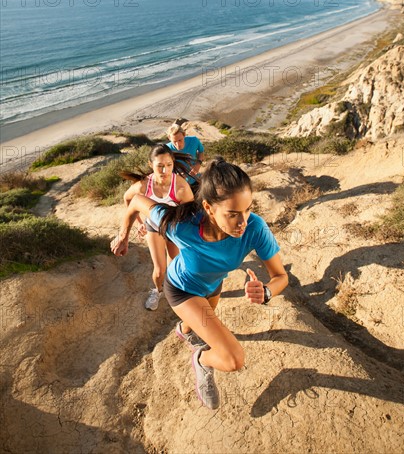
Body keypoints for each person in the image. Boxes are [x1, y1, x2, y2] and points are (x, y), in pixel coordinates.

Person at [111, 157, 288, 409]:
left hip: (213, 286)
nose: (243, 222)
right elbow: (137, 202)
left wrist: (267, 291)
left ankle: (184, 331)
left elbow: (281, 277)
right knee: (233, 359)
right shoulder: (179, 226)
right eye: (233, 214)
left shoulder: (254, 228)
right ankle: (202, 361)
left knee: (197, 323)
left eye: (248, 209)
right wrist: (123, 236)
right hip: (182, 289)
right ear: (208, 207)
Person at [111, 144, 193, 310]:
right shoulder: (143, 185)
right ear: (151, 165)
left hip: (174, 228)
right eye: (160, 166)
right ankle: (158, 290)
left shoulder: (181, 188)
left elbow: (191, 214)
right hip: (154, 227)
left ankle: (177, 292)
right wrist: (140, 223)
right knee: (159, 271)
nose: (165, 171)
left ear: (173, 163)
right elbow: (128, 199)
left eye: (169, 165)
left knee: (174, 266)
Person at [167, 124, 204, 193]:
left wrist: (198, 164)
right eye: (174, 142)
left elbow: (201, 151)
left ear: (184, 134)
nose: (178, 144)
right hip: (179, 185)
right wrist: (175, 175)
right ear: (169, 138)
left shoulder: (194, 140)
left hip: (196, 179)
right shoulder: (167, 149)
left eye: (180, 140)